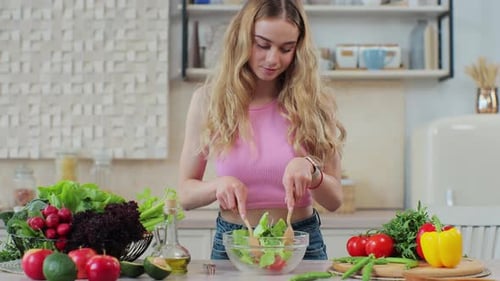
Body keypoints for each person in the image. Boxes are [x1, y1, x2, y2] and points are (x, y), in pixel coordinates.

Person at [178, 0, 346, 260]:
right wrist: (217, 186)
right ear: (242, 39)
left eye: (286, 49)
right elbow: (185, 195)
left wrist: (312, 171)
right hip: (234, 243)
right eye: (263, 45)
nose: (272, 59)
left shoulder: (314, 102)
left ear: (298, 49)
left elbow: (335, 201)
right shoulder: (208, 100)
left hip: (300, 241)